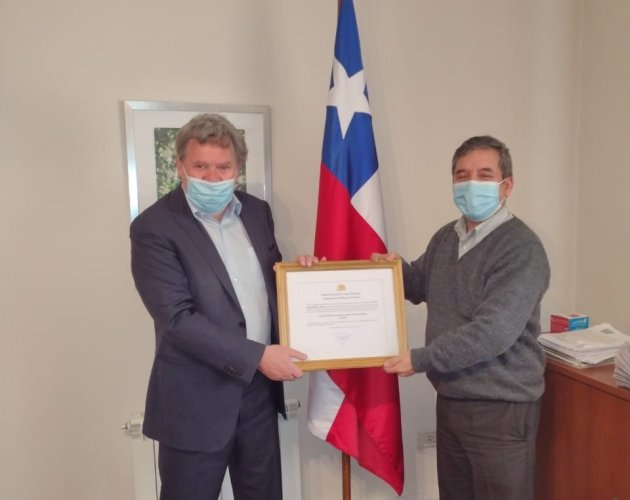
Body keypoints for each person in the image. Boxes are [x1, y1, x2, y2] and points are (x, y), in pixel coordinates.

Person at [130, 113, 306, 500]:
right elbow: (177, 320)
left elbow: (272, 284)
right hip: (194, 401)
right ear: (180, 165)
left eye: (223, 167)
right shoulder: (153, 227)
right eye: (200, 167)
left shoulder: (257, 212)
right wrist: (258, 356)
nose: (212, 178)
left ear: (238, 168)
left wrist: (303, 278)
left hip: (258, 395)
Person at [374, 135, 550, 500]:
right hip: (452, 399)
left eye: (484, 175)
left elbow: (493, 332)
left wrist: (420, 359)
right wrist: (389, 270)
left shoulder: (521, 247)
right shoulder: (447, 237)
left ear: (506, 186)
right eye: (462, 175)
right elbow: (419, 283)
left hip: (499, 408)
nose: (471, 184)